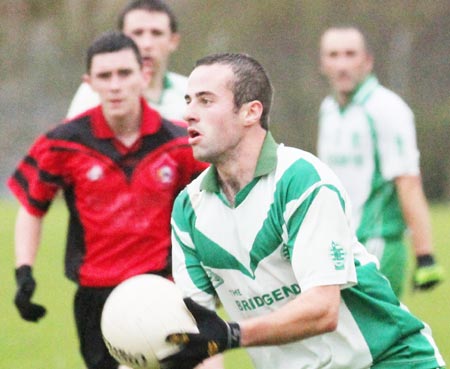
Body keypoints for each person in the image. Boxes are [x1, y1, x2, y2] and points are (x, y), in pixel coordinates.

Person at [161, 53, 446, 369]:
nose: (187, 113)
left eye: (205, 101)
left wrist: (233, 335)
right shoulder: (189, 210)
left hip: (388, 360)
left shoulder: (299, 180)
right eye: (187, 100)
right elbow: (201, 335)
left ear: (250, 112)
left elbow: (323, 310)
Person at [8, 31, 209, 369]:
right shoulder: (62, 144)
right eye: (104, 76)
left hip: (163, 290)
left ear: (144, 76)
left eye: (124, 73)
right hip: (96, 299)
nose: (115, 85)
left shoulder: (179, 143)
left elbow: (220, 204)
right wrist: (24, 271)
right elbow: (32, 207)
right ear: (89, 83)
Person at [317, 26, 444, 298]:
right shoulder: (328, 109)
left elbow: (408, 182)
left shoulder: (387, 109)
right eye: (333, 55)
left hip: (377, 245)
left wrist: (424, 255)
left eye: (350, 55)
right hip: (338, 244)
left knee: (370, 339)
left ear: (367, 60)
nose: (342, 65)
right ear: (323, 63)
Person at [67, 0, 187, 121]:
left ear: (173, 41)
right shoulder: (95, 92)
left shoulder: (191, 91)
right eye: (137, 33)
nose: (147, 44)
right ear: (122, 37)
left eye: (156, 33)